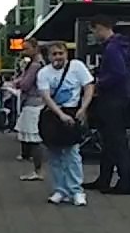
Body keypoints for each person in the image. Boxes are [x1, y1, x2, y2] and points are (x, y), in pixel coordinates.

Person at [38, 42, 94, 206]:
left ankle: (76, 190)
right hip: (53, 113)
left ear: (66, 54)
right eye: (54, 54)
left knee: (72, 153)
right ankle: (60, 189)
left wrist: (83, 108)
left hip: (73, 111)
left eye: (60, 53)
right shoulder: (44, 73)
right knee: (55, 154)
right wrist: (60, 114)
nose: (58, 57)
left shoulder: (77, 67)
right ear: (49, 57)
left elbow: (89, 86)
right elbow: (46, 96)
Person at [86, 15, 130, 194]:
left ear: (100, 28)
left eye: (94, 31)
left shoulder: (112, 48)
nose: (94, 35)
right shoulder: (118, 46)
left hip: (112, 99)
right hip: (120, 97)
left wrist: (99, 83)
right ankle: (104, 179)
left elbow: (118, 73)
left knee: (116, 140)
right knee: (110, 140)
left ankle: (124, 183)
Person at [12, 45, 47, 181]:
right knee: (34, 138)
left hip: (32, 103)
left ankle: (38, 170)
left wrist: (17, 83)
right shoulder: (40, 64)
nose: (24, 51)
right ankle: (37, 169)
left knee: (34, 138)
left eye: (26, 49)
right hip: (37, 102)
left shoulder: (34, 66)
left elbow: (26, 84)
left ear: (35, 49)